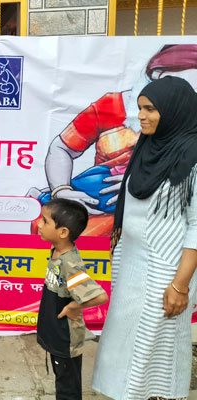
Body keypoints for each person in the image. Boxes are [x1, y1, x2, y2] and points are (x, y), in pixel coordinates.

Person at [92, 76, 197, 400]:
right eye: (140, 108)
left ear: (174, 110)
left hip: (168, 270)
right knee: (124, 341)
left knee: (155, 346)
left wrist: (180, 286)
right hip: (130, 263)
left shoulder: (192, 157)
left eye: (150, 109)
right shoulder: (146, 148)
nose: (141, 116)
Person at [27, 44, 197, 236]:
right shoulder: (116, 106)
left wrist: (139, 183)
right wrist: (61, 190)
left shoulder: (188, 141)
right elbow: (62, 148)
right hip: (101, 201)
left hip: (155, 218)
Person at [36, 198, 108, 400]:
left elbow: (100, 296)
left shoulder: (70, 264)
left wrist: (73, 307)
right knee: (62, 380)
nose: (39, 224)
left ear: (63, 232)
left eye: (45, 221)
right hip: (56, 332)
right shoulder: (57, 251)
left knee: (68, 387)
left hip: (65, 337)